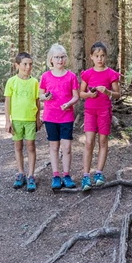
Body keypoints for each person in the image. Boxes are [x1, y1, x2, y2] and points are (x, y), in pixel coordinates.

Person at [79, 41, 121, 191]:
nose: (100, 59)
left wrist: (108, 92)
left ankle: (98, 173)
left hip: (104, 111)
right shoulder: (88, 74)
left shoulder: (111, 74)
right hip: (90, 111)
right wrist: (89, 94)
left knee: (103, 141)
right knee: (89, 142)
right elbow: (81, 93)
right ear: (91, 57)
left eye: (102, 56)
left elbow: (117, 94)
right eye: (97, 56)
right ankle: (85, 176)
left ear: (106, 57)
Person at [39, 43, 79, 190]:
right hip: (50, 117)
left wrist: (69, 104)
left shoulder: (71, 76)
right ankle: (56, 176)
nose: (60, 60)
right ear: (51, 59)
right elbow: (40, 94)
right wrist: (46, 97)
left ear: (66, 59)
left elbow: (76, 96)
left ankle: (67, 175)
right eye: (57, 57)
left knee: (67, 147)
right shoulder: (45, 76)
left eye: (62, 57)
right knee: (54, 147)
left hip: (66, 116)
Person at [4, 52, 42, 192]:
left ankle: (31, 175)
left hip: (30, 120)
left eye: (30, 64)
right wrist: (8, 121)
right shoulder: (11, 81)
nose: (28, 67)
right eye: (25, 64)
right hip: (17, 120)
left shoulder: (34, 82)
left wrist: (38, 118)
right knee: (18, 146)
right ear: (17, 65)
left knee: (31, 146)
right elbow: (7, 101)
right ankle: (21, 173)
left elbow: (37, 102)